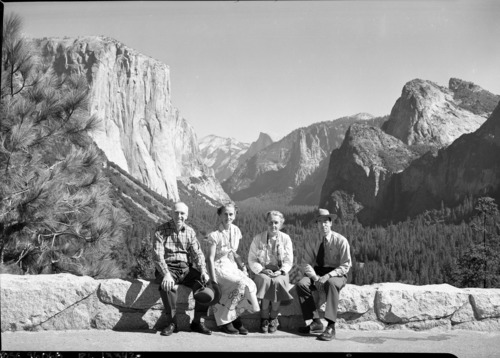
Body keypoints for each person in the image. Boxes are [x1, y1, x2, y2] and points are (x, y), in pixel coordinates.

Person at [152, 201, 212, 336]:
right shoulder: (161, 230)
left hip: (185, 268)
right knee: (167, 286)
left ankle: (197, 322)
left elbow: (197, 253)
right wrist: (166, 273)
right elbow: (157, 255)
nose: (179, 216)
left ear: (187, 215)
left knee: (206, 285)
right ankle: (172, 323)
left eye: (182, 213)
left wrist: (203, 271)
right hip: (168, 267)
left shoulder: (190, 232)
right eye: (176, 212)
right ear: (171, 213)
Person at [296, 208, 352, 341]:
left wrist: (328, 276)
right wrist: (315, 278)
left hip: (337, 273)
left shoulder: (341, 240)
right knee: (301, 284)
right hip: (318, 271)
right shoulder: (313, 241)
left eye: (326, 221)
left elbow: (346, 265)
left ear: (331, 223)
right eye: (320, 222)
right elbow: (305, 263)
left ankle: (331, 326)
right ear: (317, 224)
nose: (323, 225)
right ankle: (316, 322)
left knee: (331, 284)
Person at [206, 203, 260, 335]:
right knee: (238, 283)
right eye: (225, 213)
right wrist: (213, 281)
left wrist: (242, 266)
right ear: (220, 215)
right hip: (218, 266)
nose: (228, 217)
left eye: (231, 214)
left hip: (231, 265)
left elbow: (234, 252)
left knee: (249, 283)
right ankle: (225, 321)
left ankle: (235, 317)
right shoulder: (214, 234)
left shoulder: (236, 231)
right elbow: (210, 259)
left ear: (235, 215)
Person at [248, 210, 294, 334]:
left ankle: (273, 317)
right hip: (263, 270)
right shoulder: (258, 238)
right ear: (266, 223)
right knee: (265, 280)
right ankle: (264, 318)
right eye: (270, 222)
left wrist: (281, 271)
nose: (273, 225)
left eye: (276, 223)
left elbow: (289, 260)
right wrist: (262, 270)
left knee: (277, 282)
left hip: (280, 272)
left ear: (281, 224)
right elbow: (252, 259)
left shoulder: (286, 239)